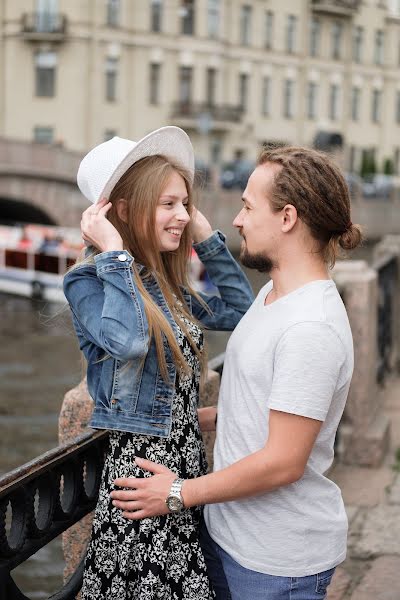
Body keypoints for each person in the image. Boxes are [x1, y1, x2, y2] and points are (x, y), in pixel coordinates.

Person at [111, 145, 363, 600]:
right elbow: (271, 405)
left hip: (274, 562)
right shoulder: (274, 293)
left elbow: (284, 461)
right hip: (233, 537)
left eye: (248, 206)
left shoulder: (310, 327)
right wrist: (210, 419)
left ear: (287, 218)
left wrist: (178, 493)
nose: (239, 220)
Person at [63, 126, 254, 600]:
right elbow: (129, 343)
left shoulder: (166, 282)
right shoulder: (89, 281)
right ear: (124, 211)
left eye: (185, 203)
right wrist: (113, 252)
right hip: (143, 479)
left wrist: (206, 237)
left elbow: (241, 309)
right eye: (169, 204)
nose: (183, 215)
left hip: (182, 470)